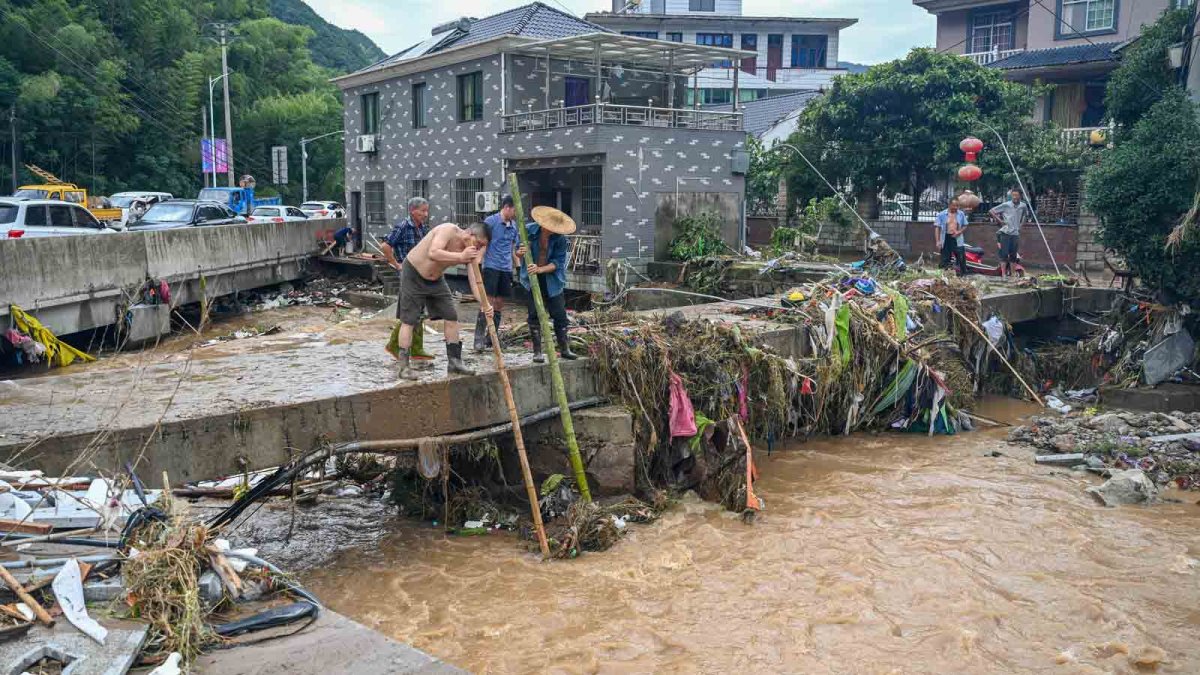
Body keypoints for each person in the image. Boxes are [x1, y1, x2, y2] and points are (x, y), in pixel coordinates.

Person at [395, 222, 491, 379]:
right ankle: (404, 367)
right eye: (479, 244)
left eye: (482, 247)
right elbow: (433, 252)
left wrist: (485, 304)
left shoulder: (471, 251)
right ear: (469, 234)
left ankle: (455, 362)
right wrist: (461, 256)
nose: (479, 249)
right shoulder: (448, 230)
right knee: (409, 320)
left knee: (451, 316)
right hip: (413, 273)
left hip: (436, 279)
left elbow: (475, 280)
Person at [516, 206, 577, 364]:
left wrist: (540, 269)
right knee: (534, 314)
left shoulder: (560, 239)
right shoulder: (528, 231)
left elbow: (558, 263)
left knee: (560, 314)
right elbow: (517, 251)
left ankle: (564, 348)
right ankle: (537, 352)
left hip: (552, 280)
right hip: (531, 278)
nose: (551, 231)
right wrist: (520, 252)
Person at [382, 198, 434, 362]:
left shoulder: (422, 228)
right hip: (408, 274)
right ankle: (394, 344)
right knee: (411, 310)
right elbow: (385, 246)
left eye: (427, 211)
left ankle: (417, 348)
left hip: (422, 273)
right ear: (413, 211)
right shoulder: (403, 226)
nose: (425, 214)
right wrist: (396, 264)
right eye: (422, 211)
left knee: (419, 310)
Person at [473, 195, 521, 352]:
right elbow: (481, 244)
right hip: (491, 266)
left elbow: (513, 250)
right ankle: (478, 339)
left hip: (506, 269)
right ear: (507, 207)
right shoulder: (491, 222)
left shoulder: (514, 226)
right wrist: (478, 265)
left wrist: (518, 268)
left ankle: (491, 338)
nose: (515, 213)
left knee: (500, 303)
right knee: (488, 302)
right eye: (514, 210)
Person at [989, 188, 1031, 278]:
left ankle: (1012, 274)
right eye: (1013, 195)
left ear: (1020, 196)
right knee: (1004, 254)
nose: (1015, 197)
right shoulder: (1006, 205)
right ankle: (1003, 274)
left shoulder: (1023, 205)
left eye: (1017, 195)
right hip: (1005, 232)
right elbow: (992, 211)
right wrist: (1000, 221)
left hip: (1015, 233)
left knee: (1013, 255)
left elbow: (1025, 215)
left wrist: (1021, 225)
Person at [935, 197, 968, 276]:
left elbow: (965, 225)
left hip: (957, 238)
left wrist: (959, 232)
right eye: (954, 205)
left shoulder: (961, 214)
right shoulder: (942, 214)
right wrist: (938, 241)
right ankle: (944, 275)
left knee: (961, 257)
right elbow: (937, 228)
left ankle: (962, 274)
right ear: (949, 205)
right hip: (946, 237)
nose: (956, 208)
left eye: (957, 206)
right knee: (945, 258)